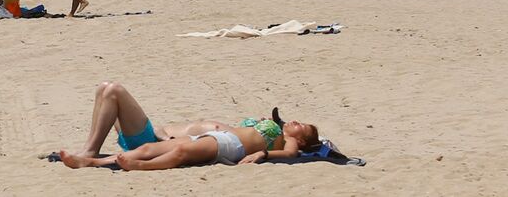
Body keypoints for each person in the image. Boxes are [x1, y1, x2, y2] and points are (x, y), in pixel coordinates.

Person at [56, 83, 320, 170]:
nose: (298, 122)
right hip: (160, 138)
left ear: (304, 139)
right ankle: (89, 152)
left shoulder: (286, 141)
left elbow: (291, 154)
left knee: (112, 89)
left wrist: (263, 153)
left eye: (303, 126)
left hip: (159, 144)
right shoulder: (272, 129)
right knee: (105, 88)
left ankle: (90, 156)